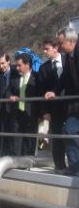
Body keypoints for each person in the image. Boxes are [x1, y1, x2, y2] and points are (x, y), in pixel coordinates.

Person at [45, 27, 79, 175]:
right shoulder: (69, 57)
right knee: (68, 131)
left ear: (71, 41)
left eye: (61, 43)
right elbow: (64, 78)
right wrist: (55, 92)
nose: (59, 47)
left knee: (69, 131)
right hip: (75, 105)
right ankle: (74, 168)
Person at [38, 37, 66, 172]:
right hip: (54, 108)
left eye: (47, 49)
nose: (44, 52)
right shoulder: (44, 68)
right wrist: (45, 112)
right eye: (43, 49)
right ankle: (60, 166)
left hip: (72, 106)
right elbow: (42, 91)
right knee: (57, 136)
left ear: (56, 48)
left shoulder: (70, 60)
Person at [6, 53, 39, 156]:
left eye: (19, 65)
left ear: (27, 65)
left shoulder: (36, 79)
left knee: (29, 140)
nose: (17, 68)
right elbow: (7, 91)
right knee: (16, 138)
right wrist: (10, 96)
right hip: (17, 113)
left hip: (31, 114)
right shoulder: (15, 79)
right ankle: (16, 162)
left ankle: (27, 162)